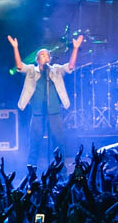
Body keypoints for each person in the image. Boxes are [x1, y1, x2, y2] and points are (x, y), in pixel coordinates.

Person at [9, 33, 82, 167]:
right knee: (34, 143)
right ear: (37, 59)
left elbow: (70, 66)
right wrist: (15, 48)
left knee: (59, 142)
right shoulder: (32, 70)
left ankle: (61, 172)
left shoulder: (56, 70)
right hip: (38, 113)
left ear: (50, 58)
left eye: (47, 55)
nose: (45, 57)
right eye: (42, 55)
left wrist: (75, 48)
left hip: (54, 112)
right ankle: (32, 173)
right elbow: (20, 66)